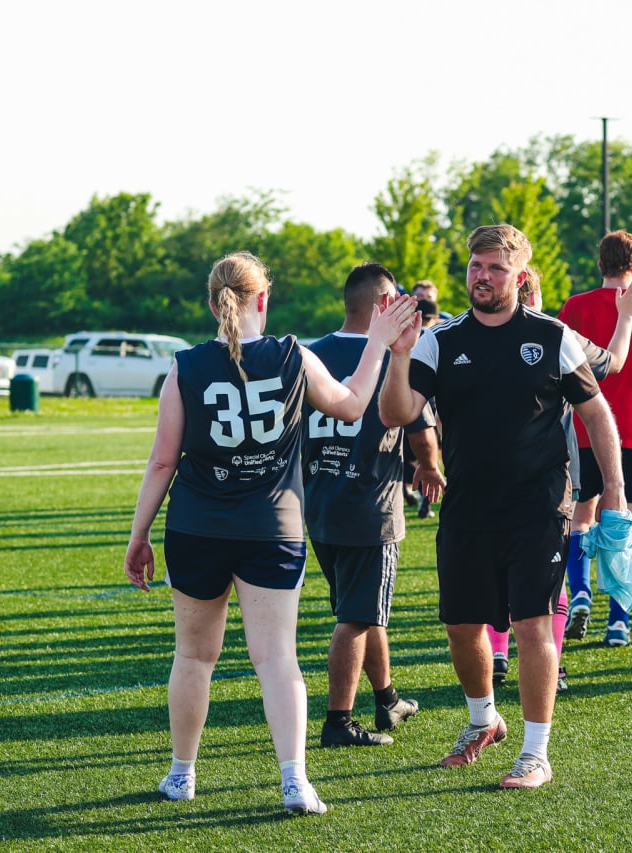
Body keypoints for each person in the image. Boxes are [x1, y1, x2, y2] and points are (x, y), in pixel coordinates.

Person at [124, 251, 417, 815]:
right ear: (264, 299)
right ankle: (294, 781)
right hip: (271, 529)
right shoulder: (293, 356)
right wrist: (379, 340)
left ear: (214, 304)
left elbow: (163, 462)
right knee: (278, 659)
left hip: (196, 527)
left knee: (193, 658)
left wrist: (139, 534)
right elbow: (354, 407)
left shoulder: (185, 366)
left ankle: (182, 775)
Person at [379, 223, 626, 790]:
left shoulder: (553, 335)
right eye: (475, 266)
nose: (482, 277)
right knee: (462, 626)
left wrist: (613, 492)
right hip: (467, 504)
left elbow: (596, 414)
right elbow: (396, 413)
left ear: (519, 275)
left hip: (539, 505)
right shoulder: (441, 340)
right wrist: (398, 356)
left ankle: (535, 753)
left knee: (533, 622)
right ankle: (482, 720)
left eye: (494, 267)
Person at [487, 265, 632, 693]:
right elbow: (612, 364)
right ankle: (550, 667)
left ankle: (499, 652)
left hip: (484, 477)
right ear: (533, 297)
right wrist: (627, 318)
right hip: (552, 477)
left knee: (494, 576)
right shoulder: (557, 333)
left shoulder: (468, 332)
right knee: (545, 579)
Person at [303, 262, 440, 748]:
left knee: (361, 608)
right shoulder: (393, 354)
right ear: (384, 306)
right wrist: (428, 466)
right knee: (357, 617)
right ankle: (338, 721)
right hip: (370, 508)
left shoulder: (309, 354)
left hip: (319, 506)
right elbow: (421, 429)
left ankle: (387, 699)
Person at [558, 231, 632, 648]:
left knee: (581, 515)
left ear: (601, 263)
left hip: (583, 424)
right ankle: (619, 621)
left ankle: (579, 590)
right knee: (624, 520)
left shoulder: (575, 306)